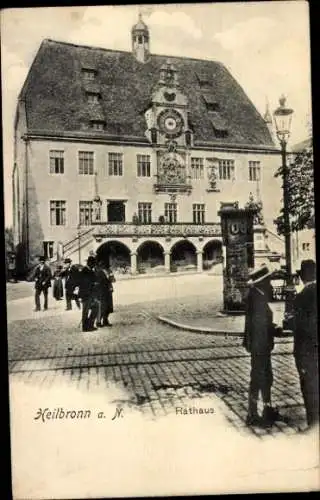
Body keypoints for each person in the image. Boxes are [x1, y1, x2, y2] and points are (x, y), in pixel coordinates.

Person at [243, 265, 282, 427]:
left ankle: (266, 409)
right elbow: (259, 326)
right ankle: (252, 414)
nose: (271, 284)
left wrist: (272, 328)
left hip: (260, 344)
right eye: (269, 281)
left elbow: (260, 324)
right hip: (260, 346)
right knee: (259, 378)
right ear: (262, 282)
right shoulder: (258, 299)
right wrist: (274, 330)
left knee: (265, 377)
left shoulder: (258, 296)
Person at [292, 259, 318, 428]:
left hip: (307, 351)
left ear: (303, 277)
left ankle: (313, 426)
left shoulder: (302, 296)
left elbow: (299, 327)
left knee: (309, 388)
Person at [78, 256, 99, 332]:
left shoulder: (91, 270)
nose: (94, 265)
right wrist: (93, 283)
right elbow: (85, 283)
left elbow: (95, 279)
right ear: (89, 263)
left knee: (96, 307)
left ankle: (90, 324)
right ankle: (85, 327)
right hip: (86, 294)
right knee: (85, 311)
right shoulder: (84, 271)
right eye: (93, 264)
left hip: (91, 294)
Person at [95, 260, 115, 328]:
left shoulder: (109, 271)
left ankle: (105, 321)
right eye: (102, 265)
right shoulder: (98, 272)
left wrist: (111, 277)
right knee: (102, 307)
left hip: (108, 291)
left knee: (108, 307)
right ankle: (98, 322)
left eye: (105, 266)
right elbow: (97, 283)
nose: (104, 267)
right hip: (101, 292)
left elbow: (113, 280)